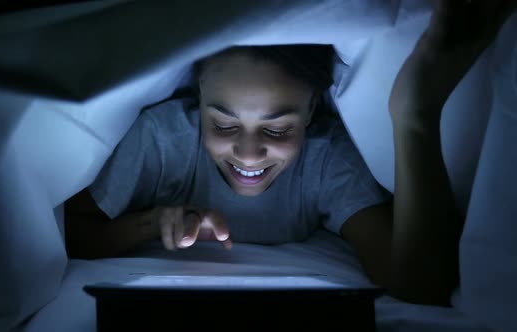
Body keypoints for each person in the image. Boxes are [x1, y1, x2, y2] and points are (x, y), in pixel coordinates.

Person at [65, 0, 516, 306]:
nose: (248, 152)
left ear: (312, 111)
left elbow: (420, 284)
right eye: (222, 123)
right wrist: (150, 221)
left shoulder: (324, 158)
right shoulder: (161, 138)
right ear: (196, 97)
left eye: (277, 127)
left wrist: (414, 114)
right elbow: (72, 234)